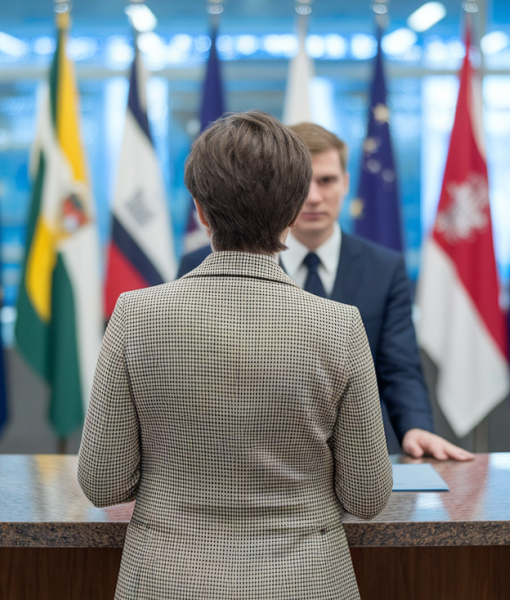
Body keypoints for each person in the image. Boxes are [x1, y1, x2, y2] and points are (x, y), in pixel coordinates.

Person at [78, 111, 392, 600]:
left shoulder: (135, 314)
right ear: (293, 211)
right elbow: (367, 496)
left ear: (201, 211)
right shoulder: (339, 326)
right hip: (305, 582)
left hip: (167, 581)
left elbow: (104, 483)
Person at [178, 123, 472, 461]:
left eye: (327, 181)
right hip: (247, 457)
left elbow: (399, 367)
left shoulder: (384, 268)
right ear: (280, 189)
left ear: (346, 183)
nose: (314, 197)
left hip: (361, 457)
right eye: (304, 184)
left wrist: (416, 427)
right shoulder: (203, 264)